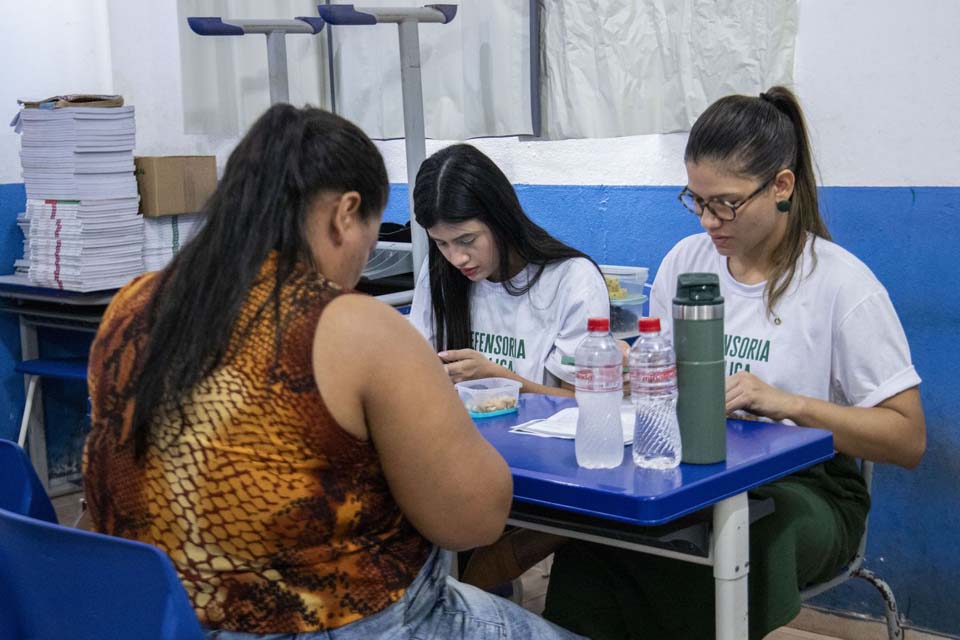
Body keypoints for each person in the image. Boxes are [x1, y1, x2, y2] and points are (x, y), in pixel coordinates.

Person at [82, 105, 582, 640]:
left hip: (157, 617)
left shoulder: (132, 305)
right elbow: (473, 521)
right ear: (346, 213)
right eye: (372, 234)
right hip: (331, 622)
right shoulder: (351, 325)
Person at [542, 86, 926, 639]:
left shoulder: (841, 285)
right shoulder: (685, 262)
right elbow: (662, 385)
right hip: (695, 466)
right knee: (597, 542)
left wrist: (787, 404)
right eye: (696, 201)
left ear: (781, 186)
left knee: (740, 540)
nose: (708, 221)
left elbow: (908, 439)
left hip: (807, 486)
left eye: (726, 203)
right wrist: (634, 374)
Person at [409, 143, 611, 396]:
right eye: (441, 243)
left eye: (467, 240)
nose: (457, 258)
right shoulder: (439, 274)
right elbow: (416, 372)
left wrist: (498, 380)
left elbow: (581, 400)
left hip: (545, 423)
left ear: (500, 219)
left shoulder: (572, 279)